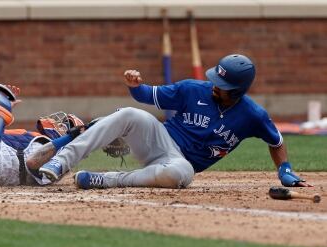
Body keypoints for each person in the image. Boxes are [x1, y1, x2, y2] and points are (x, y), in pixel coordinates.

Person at [37, 54, 312, 189]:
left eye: (222, 84)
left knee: (182, 175)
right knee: (129, 113)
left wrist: (284, 169)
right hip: (158, 139)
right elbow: (148, 95)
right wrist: (135, 85)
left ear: (238, 91)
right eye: (215, 79)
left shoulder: (253, 115)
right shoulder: (193, 89)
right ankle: (60, 160)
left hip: (179, 162)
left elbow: (276, 140)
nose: (214, 85)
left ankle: (105, 179)